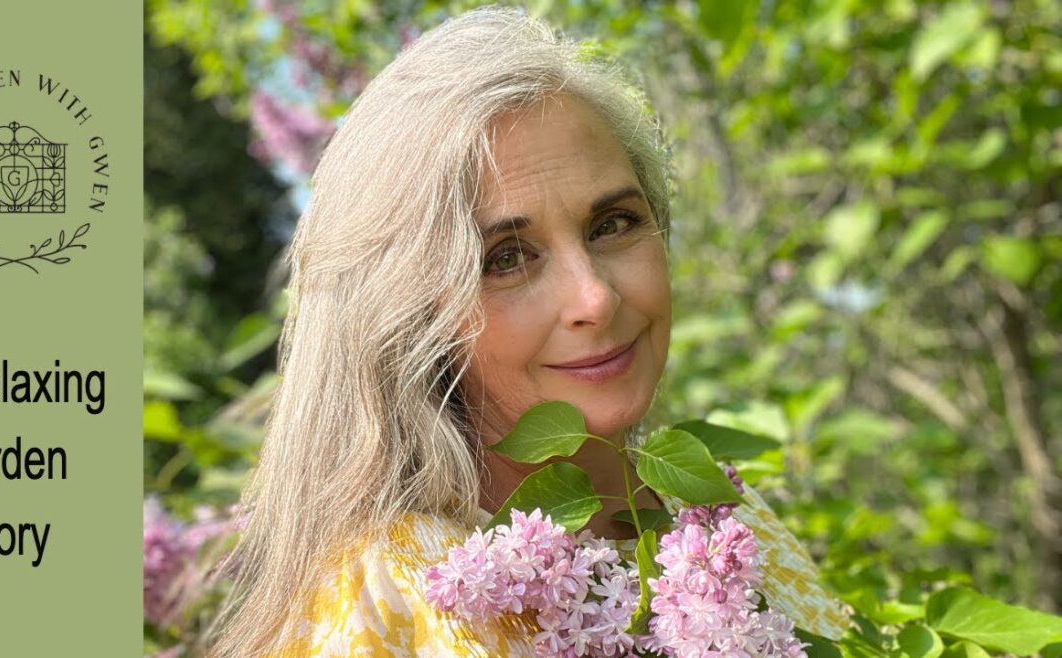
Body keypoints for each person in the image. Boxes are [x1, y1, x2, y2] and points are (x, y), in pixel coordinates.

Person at [209, 7, 847, 657]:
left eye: (613, 224)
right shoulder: (393, 597)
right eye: (506, 258)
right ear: (410, 313)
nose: (594, 297)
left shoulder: (721, 522)